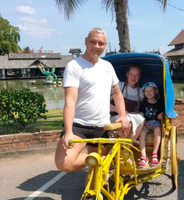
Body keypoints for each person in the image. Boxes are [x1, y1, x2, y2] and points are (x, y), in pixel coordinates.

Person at [54, 28, 129, 186]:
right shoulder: (74, 66)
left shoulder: (107, 66)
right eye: (93, 42)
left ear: (105, 45)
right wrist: (67, 132)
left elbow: (117, 94)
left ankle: (92, 190)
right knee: (64, 163)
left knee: (96, 181)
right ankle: (98, 159)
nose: (96, 46)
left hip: (101, 126)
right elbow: (70, 101)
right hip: (78, 125)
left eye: (101, 43)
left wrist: (122, 115)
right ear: (86, 41)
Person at [110, 65, 145, 140]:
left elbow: (144, 107)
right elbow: (105, 104)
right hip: (115, 116)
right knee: (128, 123)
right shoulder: (118, 86)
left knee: (141, 120)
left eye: (136, 75)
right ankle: (121, 148)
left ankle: (126, 148)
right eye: (131, 74)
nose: (133, 78)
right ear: (127, 74)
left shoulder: (141, 92)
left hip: (130, 117)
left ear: (139, 77)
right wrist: (118, 110)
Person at [138, 82, 164, 168]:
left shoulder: (159, 103)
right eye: (146, 91)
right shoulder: (143, 104)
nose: (148, 93)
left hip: (156, 122)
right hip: (146, 122)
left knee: (157, 130)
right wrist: (145, 123)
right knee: (142, 133)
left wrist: (162, 114)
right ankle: (143, 157)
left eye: (151, 91)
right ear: (144, 93)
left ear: (156, 92)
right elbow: (141, 115)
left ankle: (154, 154)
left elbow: (163, 112)